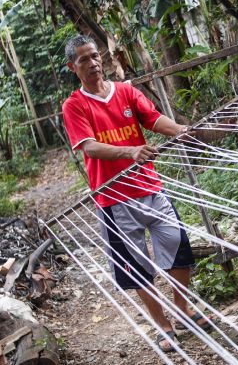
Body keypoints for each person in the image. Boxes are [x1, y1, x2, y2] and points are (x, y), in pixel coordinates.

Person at [62, 34, 209, 352]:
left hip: (150, 187)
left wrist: (183, 131)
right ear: (72, 66)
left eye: (95, 56)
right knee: (138, 267)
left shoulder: (126, 91)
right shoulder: (74, 105)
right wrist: (130, 152)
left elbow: (153, 119)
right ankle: (163, 326)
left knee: (178, 247)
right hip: (113, 199)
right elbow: (90, 147)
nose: (93, 63)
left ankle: (181, 309)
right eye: (84, 59)